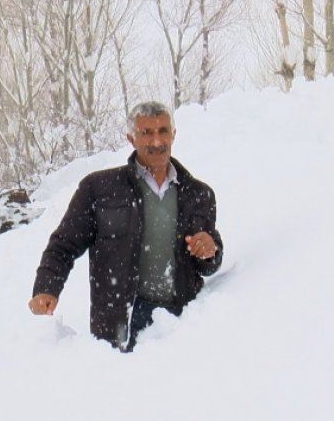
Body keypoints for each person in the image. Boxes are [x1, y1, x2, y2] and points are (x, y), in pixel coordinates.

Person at [28, 101, 223, 352]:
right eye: (146, 133)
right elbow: (63, 246)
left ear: (173, 135)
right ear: (131, 138)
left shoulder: (198, 194)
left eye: (163, 131)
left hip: (181, 326)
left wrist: (211, 251)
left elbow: (209, 258)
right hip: (120, 326)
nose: (156, 141)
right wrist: (46, 288)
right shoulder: (99, 190)